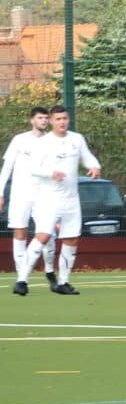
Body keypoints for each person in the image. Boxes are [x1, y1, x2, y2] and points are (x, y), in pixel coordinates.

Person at [15, 105, 101, 295]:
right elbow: (33, 169)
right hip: (49, 198)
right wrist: (50, 173)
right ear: (52, 121)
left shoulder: (76, 139)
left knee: (71, 239)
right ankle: (22, 280)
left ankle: (63, 282)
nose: (62, 122)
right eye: (58, 119)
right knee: (43, 236)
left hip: (71, 199)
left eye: (65, 118)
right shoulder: (43, 143)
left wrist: (95, 167)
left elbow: (88, 158)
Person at [1, 106, 59, 293]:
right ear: (32, 120)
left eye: (46, 118)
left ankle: (50, 270)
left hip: (44, 195)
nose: (43, 121)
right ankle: (21, 278)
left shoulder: (53, 142)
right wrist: (0, 192)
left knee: (47, 235)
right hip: (20, 195)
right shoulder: (19, 140)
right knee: (20, 234)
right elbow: (7, 168)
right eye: (40, 117)